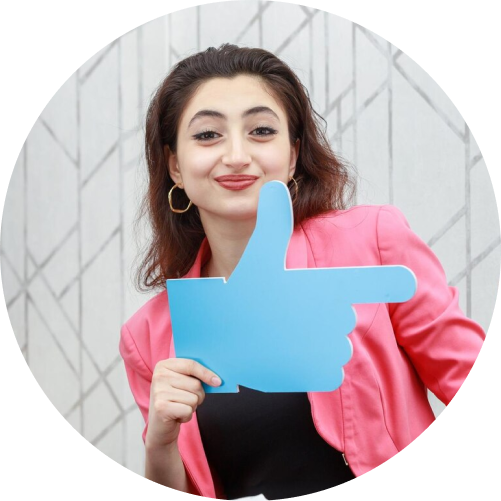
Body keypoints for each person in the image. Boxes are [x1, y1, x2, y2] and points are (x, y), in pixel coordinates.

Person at [119, 43, 486, 499]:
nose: (236, 155)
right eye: (208, 135)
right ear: (175, 165)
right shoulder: (147, 335)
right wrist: (160, 440)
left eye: (260, 130)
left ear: (293, 155)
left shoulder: (372, 241)